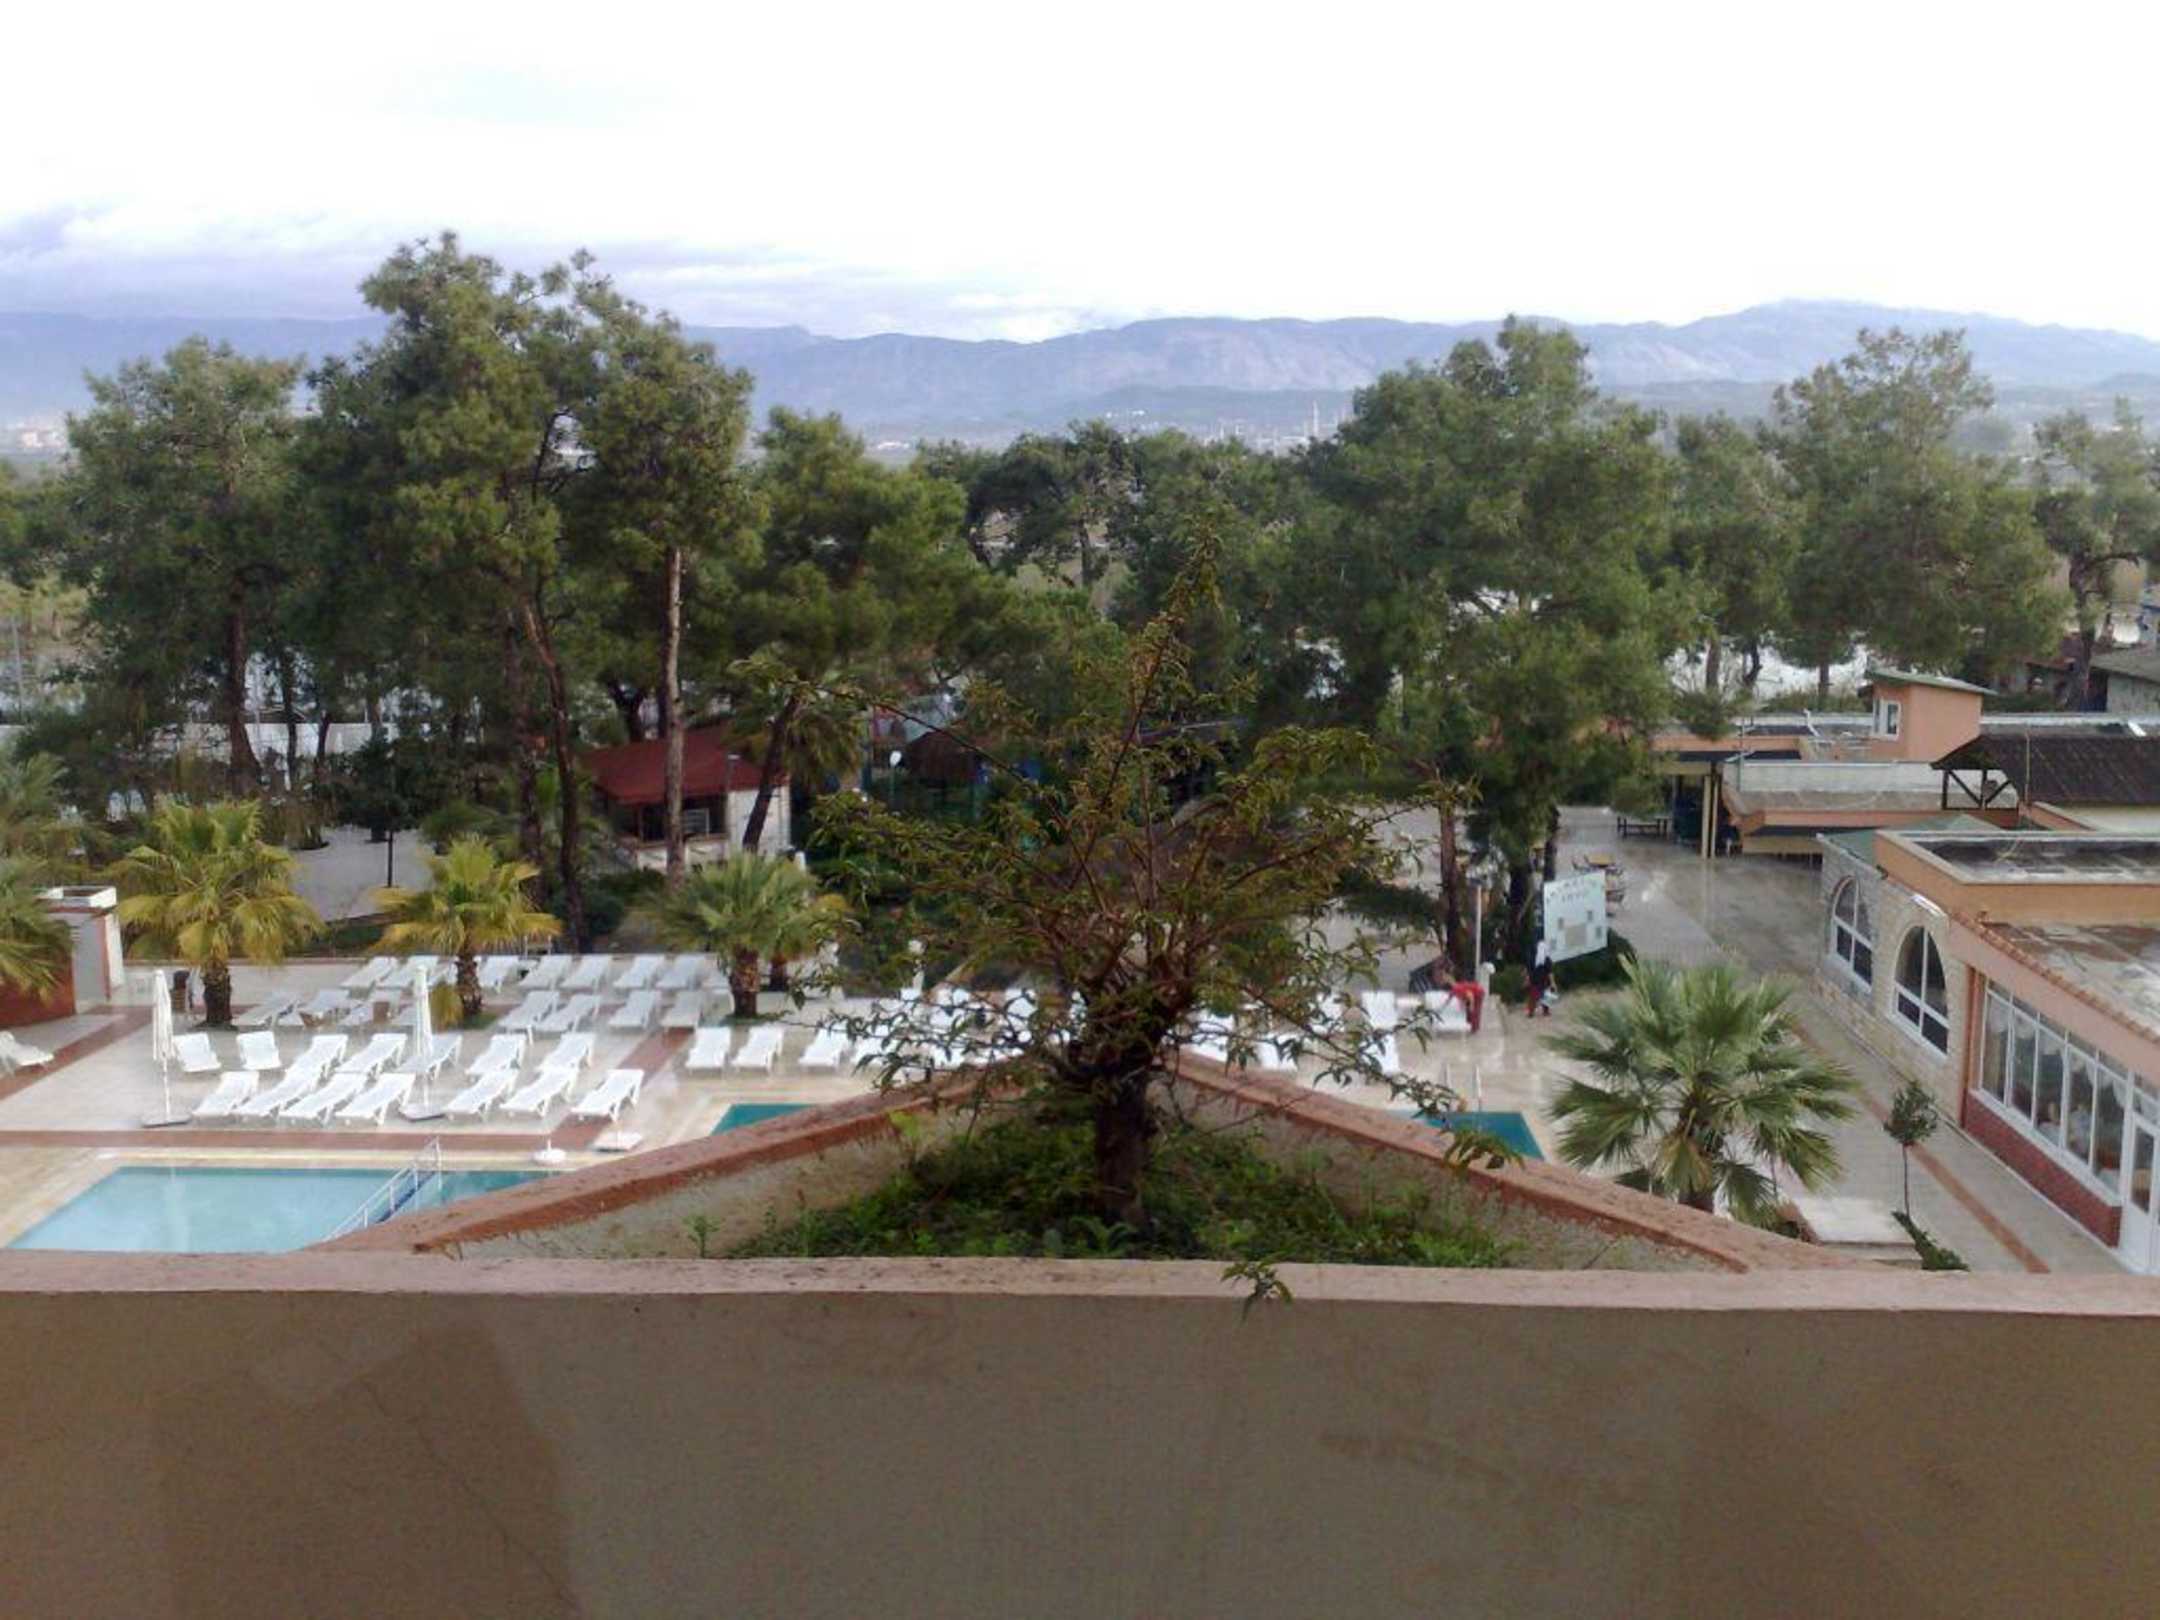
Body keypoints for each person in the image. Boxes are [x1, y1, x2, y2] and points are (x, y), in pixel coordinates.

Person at [1526, 939, 1554, 1018]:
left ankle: (1531, 1012)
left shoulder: (1532, 957)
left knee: (1533, 996)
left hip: (1535, 980)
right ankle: (1545, 1011)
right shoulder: (1546, 959)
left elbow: (1528, 970)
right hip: (1543, 980)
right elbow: (1550, 972)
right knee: (1545, 995)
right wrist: (1553, 982)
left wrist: (1528, 979)